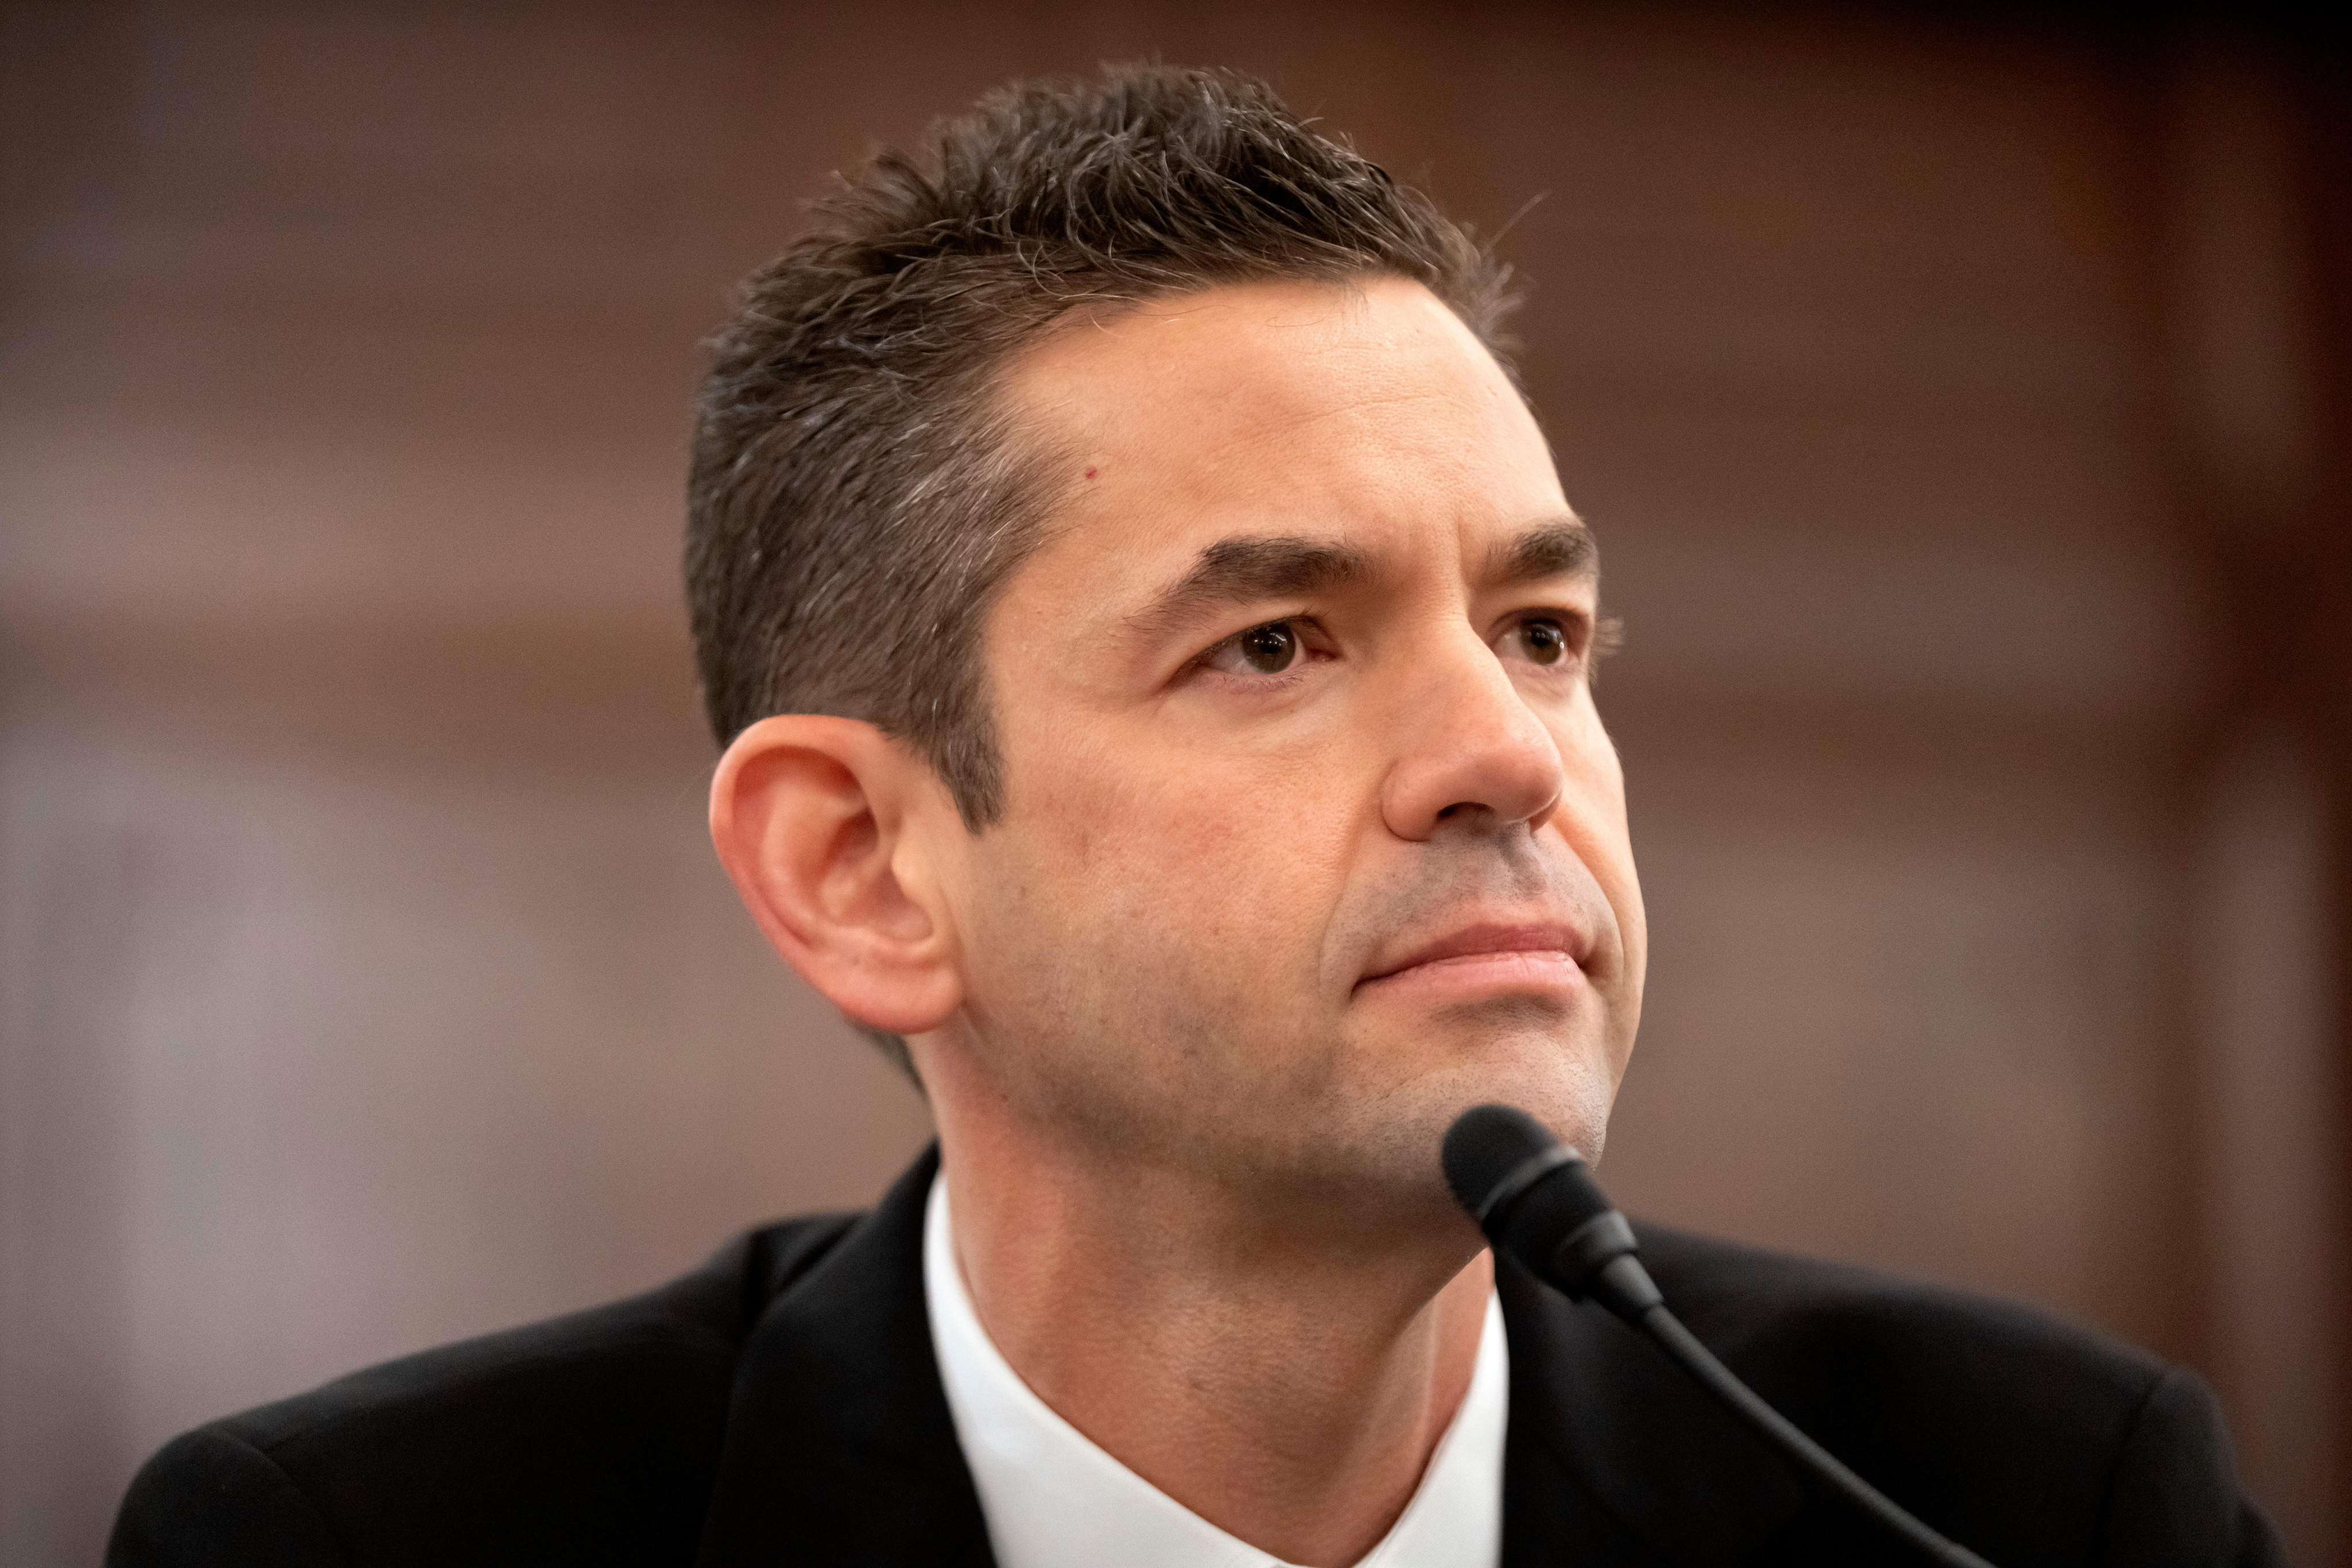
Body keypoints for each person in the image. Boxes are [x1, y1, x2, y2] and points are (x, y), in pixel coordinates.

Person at [108, 65, 2280, 1568]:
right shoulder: (366, 1542)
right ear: (862, 871)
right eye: (1277, 646)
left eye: (1539, 627)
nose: (1513, 756)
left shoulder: (2034, 1502)